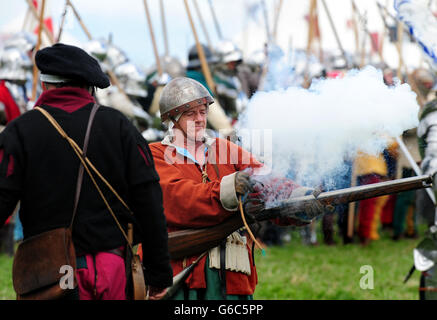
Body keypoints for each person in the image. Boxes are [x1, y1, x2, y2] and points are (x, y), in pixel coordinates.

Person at [0, 43, 172, 300]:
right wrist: (158, 273)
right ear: (89, 86)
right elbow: (149, 203)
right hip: (111, 270)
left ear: (45, 84)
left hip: (49, 272)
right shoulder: (121, 128)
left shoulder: (20, 131)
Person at [144, 76, 328, 300]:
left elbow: (264, 178)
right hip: (186, 275)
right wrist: (229, 188)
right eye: (191, 113)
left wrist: (298, 197)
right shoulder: (155, 153)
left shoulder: (224, 148)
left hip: (233, 274)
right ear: (172, 118)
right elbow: (179, 200)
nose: (200, 119)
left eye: (203, 112)